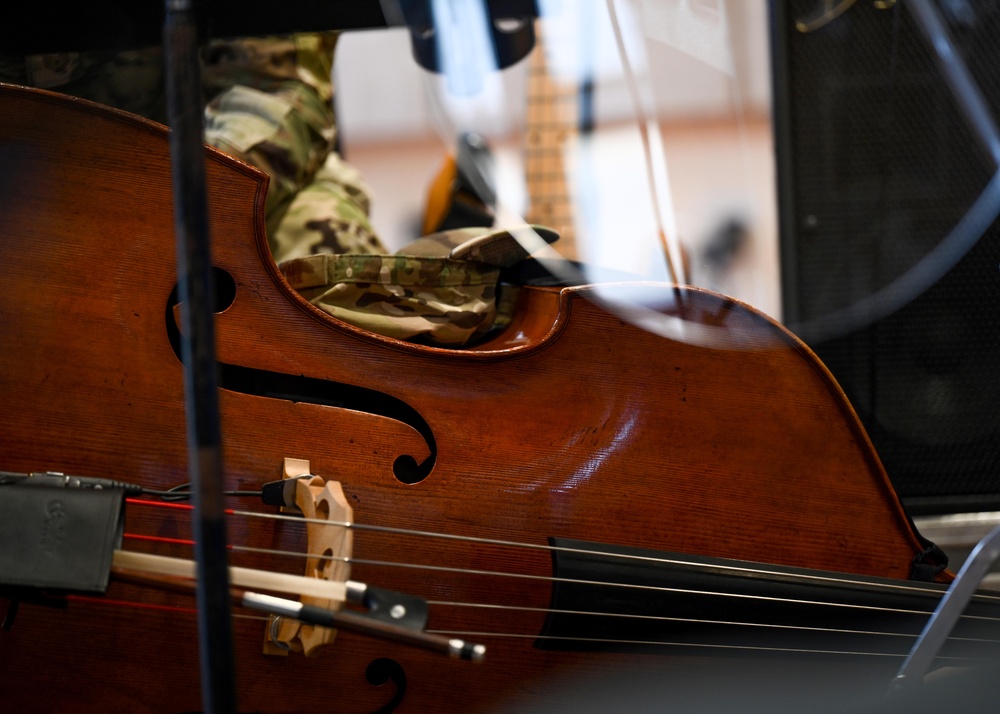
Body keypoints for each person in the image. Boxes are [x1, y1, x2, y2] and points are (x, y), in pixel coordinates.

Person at [0, 33, 555, 346]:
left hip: (199, 173)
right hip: (29, 193)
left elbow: (275, 89)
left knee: (344, 340)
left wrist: (168, 215)